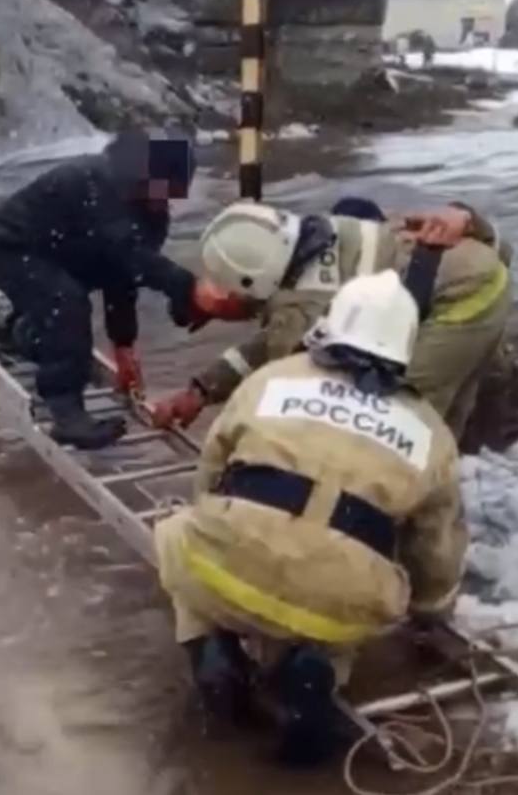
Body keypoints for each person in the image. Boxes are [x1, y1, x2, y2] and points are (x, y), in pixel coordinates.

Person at [154, 271, 467, 765]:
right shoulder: (432, 433)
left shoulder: (272, 379)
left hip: (224, 569)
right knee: (336, 609)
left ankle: (210, 647)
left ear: (332, 324)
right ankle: (316, 668)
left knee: (176, 532)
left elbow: (210, 471)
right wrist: (432, 615)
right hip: (333, 602)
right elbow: (436, 549)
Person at [151, 199, 512, 440]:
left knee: (400, 426)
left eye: (226, 289)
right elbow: (263, 342)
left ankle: (395, 532)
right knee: (445, 429)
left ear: (252, 280)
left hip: (460, 303)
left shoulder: (298, 310)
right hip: (478, 273)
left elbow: (293, 390)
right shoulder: (323, 231)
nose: (221, 300)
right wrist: (202, 388)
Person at [0, 130, 249, 450]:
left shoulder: (151, 212)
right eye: (160, 189)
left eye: (171, 193)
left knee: (64, 309)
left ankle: (16, 330)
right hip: (10, 247)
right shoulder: (102, 185)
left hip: (60, 250)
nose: (164, 200)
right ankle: (66, 414)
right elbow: (130, 254)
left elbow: (123, 278)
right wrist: (189, 288)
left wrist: (124, 346)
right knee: (67, 304)